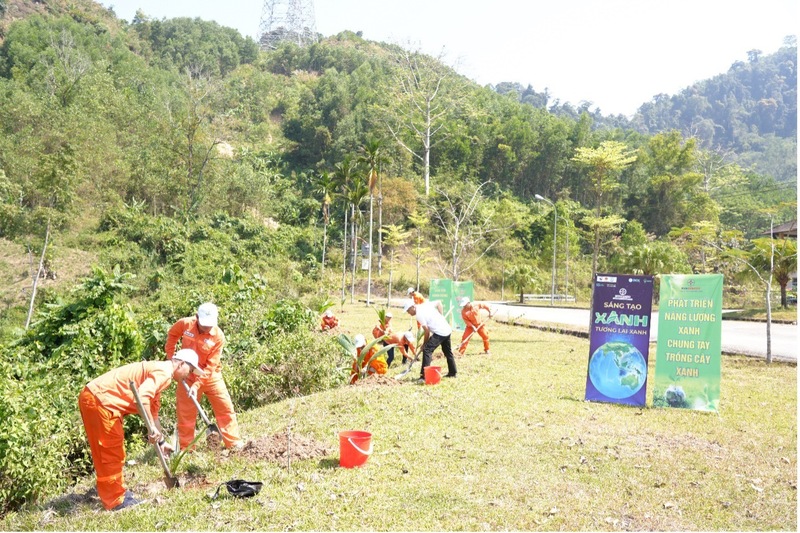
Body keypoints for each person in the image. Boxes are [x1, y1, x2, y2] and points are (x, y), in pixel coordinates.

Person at [78, 349, 206, 511]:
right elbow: (142, 397)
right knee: (110, 452)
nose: (189, 375)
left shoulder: (160, 374)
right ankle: (115, 501)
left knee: (114, 450)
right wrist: (151, 428)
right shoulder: (164, 372)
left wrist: (161, 441)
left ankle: (117, 491)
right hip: (100, 401)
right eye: (190, 370)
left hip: (99, 399)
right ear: (180, 363)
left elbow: (152, 412)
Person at [165, 302, 244, 451]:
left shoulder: (218, 336)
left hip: (210, 376)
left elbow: (211, 365)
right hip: (187, 375)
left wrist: (197, 385)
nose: (207, 328)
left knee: (225, 408)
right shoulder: (185, 324)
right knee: (185, 415)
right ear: (196, 317)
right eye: (204, 324)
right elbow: (172, 335)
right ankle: (187, 450)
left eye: (210, 325)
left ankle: (233, 443)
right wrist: (172, 359)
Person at [403, 299, 457, 382]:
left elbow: (427, 331)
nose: (408, 313)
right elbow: (439, 303)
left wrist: (424, 344)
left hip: (440, 332)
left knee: (427, 350)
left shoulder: (419, 314)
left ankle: (423, 376)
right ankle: (453, 373)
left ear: (413, 307)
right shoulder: (425, 305)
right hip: (446, 329)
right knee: (447, 352)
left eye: (408, 310)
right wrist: (441, 317)